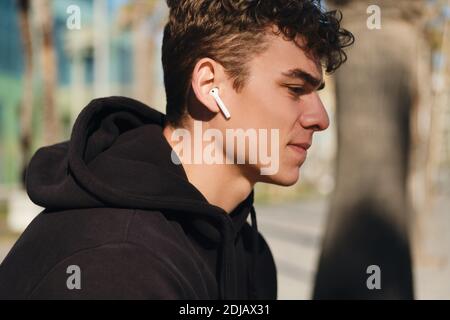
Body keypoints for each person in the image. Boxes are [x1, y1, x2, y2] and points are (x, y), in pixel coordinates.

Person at [0, 0, 353, 299]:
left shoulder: (251, 254)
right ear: (209, 86)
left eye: (317, 91)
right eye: (294, 88)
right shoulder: (117, 264)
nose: (320, 118)